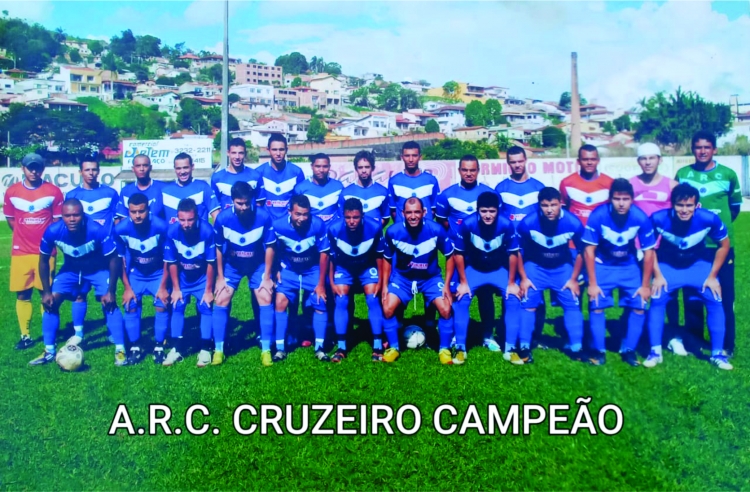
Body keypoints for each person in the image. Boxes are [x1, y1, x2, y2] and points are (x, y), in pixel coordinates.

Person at [647, 183, 732, 370]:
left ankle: (717, 354)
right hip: (668, 266)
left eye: (689, 205)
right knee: (657, 297)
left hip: (698, 266)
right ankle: (655, 352)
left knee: (715, 298)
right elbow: (648, 248)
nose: (684, 210)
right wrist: (657, 275)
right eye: (680, 205)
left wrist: (712, 276)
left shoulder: (709, 218)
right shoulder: (658, 218)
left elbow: (724, 245)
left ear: (696, 206)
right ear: (672, 204)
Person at [31, 199, 126, 366]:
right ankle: (49, 351)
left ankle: (120, 349)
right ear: (62, 216)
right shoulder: (53, 231)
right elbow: (43, 260)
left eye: (76, 215)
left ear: (83, 215)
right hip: (71, 270)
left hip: (97, 269)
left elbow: (114, 259)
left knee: (109, 303)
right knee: (51, 302)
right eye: (67, 216)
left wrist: (111, 291)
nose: (72, 219)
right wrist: (46, 291)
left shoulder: (97, 230)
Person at [675, 131, 741, 357]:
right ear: (692, 149)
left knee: (725, 296)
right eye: (698, 147)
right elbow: (678, 206)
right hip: (692, 246)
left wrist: (716, 227)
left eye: (706, 147)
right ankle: (695, 340)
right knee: (693, 294)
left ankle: (727, 344)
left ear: (714, 149)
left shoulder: (728, 174)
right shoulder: (683, 174)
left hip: (722, 245)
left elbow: (734, 208)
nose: (702, 151)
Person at [582, 179, 655, 366]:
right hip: (603, 265)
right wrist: (592, 283)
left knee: (639, 305)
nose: (621, 203)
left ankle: (629, 350)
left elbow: (649, 253)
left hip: (629, 267)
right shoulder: (598, 215)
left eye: (625, 199)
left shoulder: (640, 218)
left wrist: (645, 286)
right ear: (610, 199)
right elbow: (589, 250)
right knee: (596, 304)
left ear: (632, 199)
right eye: (617, 199)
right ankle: (599, 351)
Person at [380, 197, 455, 364]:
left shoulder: (436, 230)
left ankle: (444, 349)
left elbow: (450, 256)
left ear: (424, 212)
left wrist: (447, 285)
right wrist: (385, 285)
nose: (413, 216)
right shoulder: (393, 232)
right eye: (409, 212)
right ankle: (394, 348)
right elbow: (386, 259)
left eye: (416, 212)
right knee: (387, 308)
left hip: (430, 278)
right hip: (403, 279)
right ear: (402, 213)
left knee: (445, 309)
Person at [451, 192, 522, 365]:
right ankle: (460, 348)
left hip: (498, 270)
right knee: (462, 298)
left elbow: (513, 254)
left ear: (498, 210)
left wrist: (511, 283)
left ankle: (510, 349)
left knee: (513, 298)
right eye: (483, 211)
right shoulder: (467, 224)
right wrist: (463, 282)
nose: (488, 215)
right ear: (477, 210)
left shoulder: (506, 224)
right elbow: (458, 254)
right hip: (474, 269)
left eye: (492, 211)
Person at [436, 155, 497, 352]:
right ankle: (456, 334)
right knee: (456, 294)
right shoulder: (447, 195)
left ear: (478, 171)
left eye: (472, 170)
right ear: (459, 171)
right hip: (458, 255)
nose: (469, 174)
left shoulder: (489, 194)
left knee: (485, 295)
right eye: (465, 170)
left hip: (483, 255)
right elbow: (443, 222)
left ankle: (487, 336)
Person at [516, 187, 585, 362]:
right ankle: (524, 347)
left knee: (572, 303)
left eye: (553, 205)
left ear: (560, 204)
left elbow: (583, 251)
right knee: (528, 303)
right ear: (539, 205)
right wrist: (523, 278)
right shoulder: (527, 223)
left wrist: (574, 279)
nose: (549, 210)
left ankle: (576, 347)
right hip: (535, 267)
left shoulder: (573, 223)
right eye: (545, 205)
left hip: (562, 267)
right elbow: (517, 251)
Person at [4, 153, 63, 350]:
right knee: (22, 294)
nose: (34, 171)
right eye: (30, 167)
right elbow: (11, 219)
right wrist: (22, 235)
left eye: (37, 167)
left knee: (46, 293)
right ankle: (25, 335)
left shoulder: (53, 191)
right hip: (21, 252)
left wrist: (46, 242)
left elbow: (57, 222)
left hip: (45, 253)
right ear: (23, 168)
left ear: (43, 169)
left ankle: (49, 334)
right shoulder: (12, 192)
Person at [628, 142, 683, 356]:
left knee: (669, 292)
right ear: (638, 161)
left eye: (652, 158)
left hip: (665, 247)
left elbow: (684, 211)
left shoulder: (672, 185)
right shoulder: (630, 185)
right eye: (644, 158)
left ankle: (674, 336)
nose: (648, 162)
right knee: (638, 291)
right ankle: (640, 335)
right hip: (638, 247)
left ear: (660, 160)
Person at [213, 182, 275, 367]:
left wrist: (267, 277)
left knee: (265, 296)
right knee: (221, 298)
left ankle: (266, 350)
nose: (244, 207)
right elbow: (218, 248)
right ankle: (218, 350)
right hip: (233, 266)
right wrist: (220, 277)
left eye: (247, 203)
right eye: (239, 203)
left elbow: (270, 247)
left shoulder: (263, 216)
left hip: (257, 265)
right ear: (232, 201)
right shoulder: (223, 218)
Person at [65, 154, 120, 344]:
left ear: (99, 171)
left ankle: (112, 330)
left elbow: (117, 221)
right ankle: (78, 333)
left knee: (107, 292)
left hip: (103, 254)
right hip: (81, 254)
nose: (91, 173)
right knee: (79, 294)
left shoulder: (110, 193)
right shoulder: (72, 196)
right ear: (80, 172)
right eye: (87, 169)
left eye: (94, 169)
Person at [272, 194, 331, 362]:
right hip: (289, 270)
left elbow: (324, 254)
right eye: (298, 214)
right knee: (280, 302)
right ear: (289, 211)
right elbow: (271, 249)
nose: (302, 218)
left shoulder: (318, 225)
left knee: (320, 301)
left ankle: (320, 348)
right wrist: (275, 269)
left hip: (311, 270)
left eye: (305, 214)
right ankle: (280, 349)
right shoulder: (278, 226)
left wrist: (321, 284)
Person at [113, 193, 170, 365]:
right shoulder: (120, 229)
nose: (137, 215)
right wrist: (127, 288)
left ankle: (159, 346)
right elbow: (119, 260)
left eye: (141, 211)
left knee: (161, 304)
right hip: (136, 273)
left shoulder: (161, 227)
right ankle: (135, 346)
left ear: (148, 210)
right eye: (133, 212)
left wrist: (163, 286)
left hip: (158, 273)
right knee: (130, 305)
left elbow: (169, 259)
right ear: (128, 212)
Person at [327, 198, 384, 362]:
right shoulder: (333, 229)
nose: (352, 221)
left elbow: (380, 256)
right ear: (343, 216)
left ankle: (377, 346)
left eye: (356, 217)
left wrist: (381, 281)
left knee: (373, 298)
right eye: (348, 217)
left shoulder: (375, 227)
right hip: (344, 268)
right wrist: (332, 282)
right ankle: (341, 347)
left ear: (362, 216)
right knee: (341, 299)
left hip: (366, 267)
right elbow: (331, 258)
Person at [162, 198, 216, 367]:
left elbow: (211, 263)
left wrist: (208, 290)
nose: (186, 224)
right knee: (177, 305)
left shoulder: (207, 231)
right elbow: (171, 262)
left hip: (202, 278)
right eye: (182, 220)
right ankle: (176, 349)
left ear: (197, 217)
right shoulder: (172, 231)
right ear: (177, 218)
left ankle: (205, 349)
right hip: (183, 278)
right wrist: (176, 289)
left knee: (205, 307)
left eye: (190, 220)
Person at [559, 144, 613, 226]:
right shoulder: (566, 183)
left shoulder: (610, 183)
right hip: (576, 232)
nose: (589, 163)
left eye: (593, 159)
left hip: (599, 232)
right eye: (585, 159)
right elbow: (564, 210)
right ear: (578, 161)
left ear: (598, 161)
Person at [256, 134, 305, 220]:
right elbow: (258, 203)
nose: (278, 153)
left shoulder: (297, 172)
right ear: (268, 150)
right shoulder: (259, 172)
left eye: (281, 149)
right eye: (274, 150)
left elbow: (301, 202)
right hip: (267, 222)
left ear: (286, 150)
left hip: (288, 223)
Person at [387, 141, 439, 222]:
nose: (411, 159)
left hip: (424, 228)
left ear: (420, 157)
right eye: (407, 156)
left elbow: (434, 209)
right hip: (403, 228)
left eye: (414, 155)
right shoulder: (394, 181)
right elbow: (393, 211)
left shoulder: (431, 180)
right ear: (402, 157)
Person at [162, 153, 220, 224]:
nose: (182, 172)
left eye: (185, 167)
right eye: (178, 168)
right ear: (174, 169)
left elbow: (216, 215)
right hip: (173, 231)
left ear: (192, 167)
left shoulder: (203, 187)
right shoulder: (165, 191)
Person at [495, 146, 545, 223]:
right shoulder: (500, 188)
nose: (517, 165)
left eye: (520, 161)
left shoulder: (539, 187)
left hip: (532, 231)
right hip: (509, 231)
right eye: (513, 162)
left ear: (526, 160)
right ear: (508, 162)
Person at [341, 150, 390, 226]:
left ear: (373, 168)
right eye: (360, 167)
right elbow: (342, 218)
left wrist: (374, 230)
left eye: (367, 167)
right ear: (356, 169)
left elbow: (385, 218)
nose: (363, 171)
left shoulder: (383, 192)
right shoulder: (345, 193)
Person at [211, 137, 260, 211]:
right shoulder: (217, 178)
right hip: (227, 218)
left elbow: (259, 205)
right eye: (234, 153)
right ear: (228, 153)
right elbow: (215, 207)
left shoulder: (255, 176)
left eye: (241, 153)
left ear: (245, 154)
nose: (237, 157)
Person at [293, 153, 344, 225]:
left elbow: (343, 211)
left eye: (325, 166)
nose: (321, 170)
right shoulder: (300, 188)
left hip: (331, 229)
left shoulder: (338, 186)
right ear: (312, 166)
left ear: (329, 167)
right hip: (310, 229)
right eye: (318, 166)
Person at [116, 154, 166, 221]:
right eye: (138, 166)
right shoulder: (125, 191)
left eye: (145, 165)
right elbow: (122, 218)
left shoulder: (163, 189)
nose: (141, 169)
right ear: (133, 169)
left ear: (150, 168)